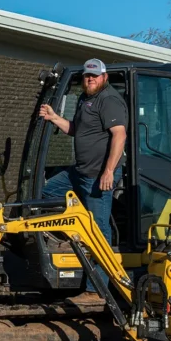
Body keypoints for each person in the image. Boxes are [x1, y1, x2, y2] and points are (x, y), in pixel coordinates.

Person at [38, 58, 127, 302]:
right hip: (79, 172)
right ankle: (74, 238)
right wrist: (55, 117)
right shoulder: (84, 99)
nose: (90, 79)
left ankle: (97, 289)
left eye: (95, 76)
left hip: (98, 176)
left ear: (104, 77)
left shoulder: (109, 100)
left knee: (100, 229)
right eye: (88, 75)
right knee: (47, 192)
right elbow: (76, 129)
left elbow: (120, 135)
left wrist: (109, 171)